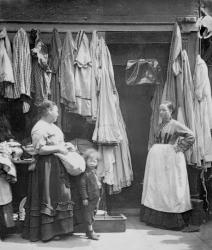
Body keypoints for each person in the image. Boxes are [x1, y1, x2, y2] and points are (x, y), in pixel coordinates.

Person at [22, 100, 76, 242]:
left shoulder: (51, 126)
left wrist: (65, 145)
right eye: (56, 110)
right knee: (49, 196)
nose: (58, 113)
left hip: (56, 164)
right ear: (48, 111)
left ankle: (60, 229)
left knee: (59, 195)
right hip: (46, 166)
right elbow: (39, 149)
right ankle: (48, 232)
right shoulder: (39, 127)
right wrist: (58, 148)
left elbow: (55, 144)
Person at [141, 101, 195, 230]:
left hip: (170, 158)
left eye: (164, 110)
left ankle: (172, 220)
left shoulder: (175, 124)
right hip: (157, 159)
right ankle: (156, 219)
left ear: (171, 111)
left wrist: (179, 147)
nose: (161, 113)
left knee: (170, 187)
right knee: (158, 187)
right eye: (160, 110)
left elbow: (191, 135)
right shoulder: (160, 125)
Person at [79, 148, 101, 240]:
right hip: (89, 199)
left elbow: (98, 184)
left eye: (95, 161)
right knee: (88, 216)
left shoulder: (95, 172)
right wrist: (84, 198)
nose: (93, 162)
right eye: (90, 161)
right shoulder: (85, 174)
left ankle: (89, 232)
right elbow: (82, 186)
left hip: (96, 198)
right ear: (85, 161)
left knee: (93, 214)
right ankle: (91, 232)